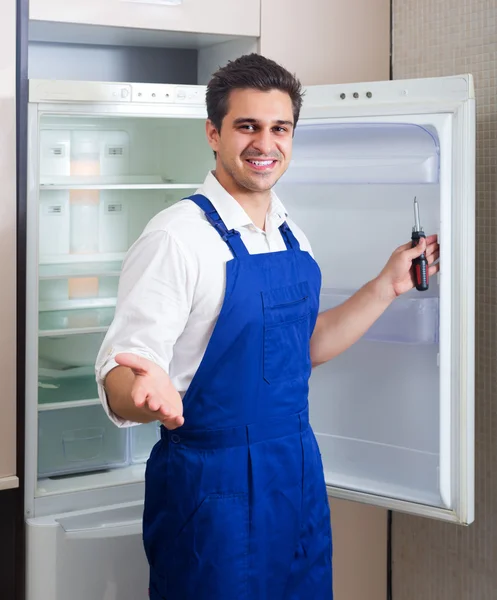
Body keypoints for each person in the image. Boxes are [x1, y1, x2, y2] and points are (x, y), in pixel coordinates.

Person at [95, 53, 439, 600]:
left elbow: (302, 349)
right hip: (213, 487)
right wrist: (144, 394)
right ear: (213, 132)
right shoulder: (175, 238)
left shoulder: (289, 233)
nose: (265, 144)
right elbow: (121, 375)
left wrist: (387, 285)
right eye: (247, 126)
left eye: (279, 128)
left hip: (295, 473)